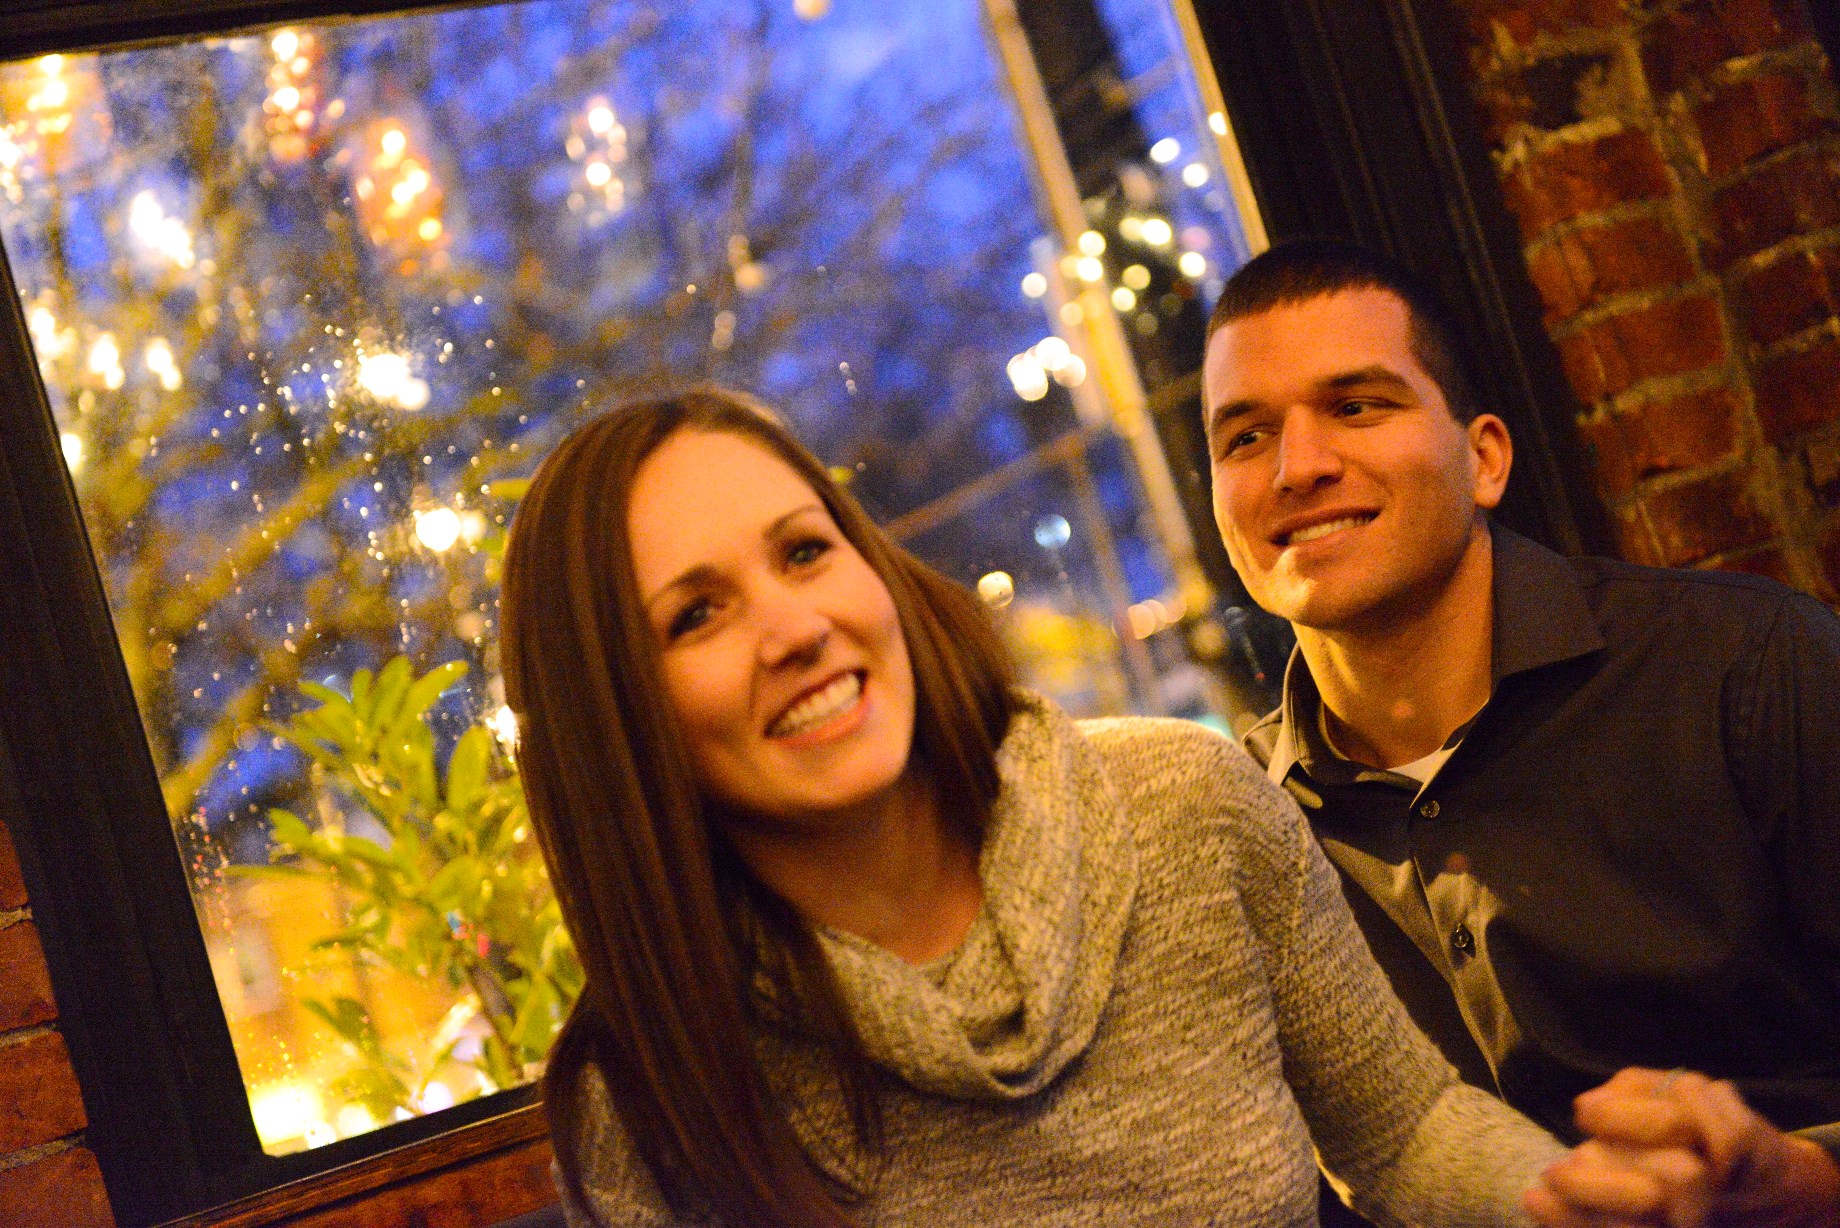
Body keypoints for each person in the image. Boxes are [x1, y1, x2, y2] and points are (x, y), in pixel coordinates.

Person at [497, 385, 1678, 1227]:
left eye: (804, 552)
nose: (795, 628)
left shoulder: (1185, 804)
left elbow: (1402, 1130)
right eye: (694, 615)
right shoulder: (647, 1096)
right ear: (616, 719)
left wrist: (1591, 1199)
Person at [1201, 238, 1840, 1225]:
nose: (1298, 466)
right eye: (1245, 437)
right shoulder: (1238, 833)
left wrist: (1793, 1180)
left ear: (1484, 457)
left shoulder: (1746, 670)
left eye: (1356, 407)